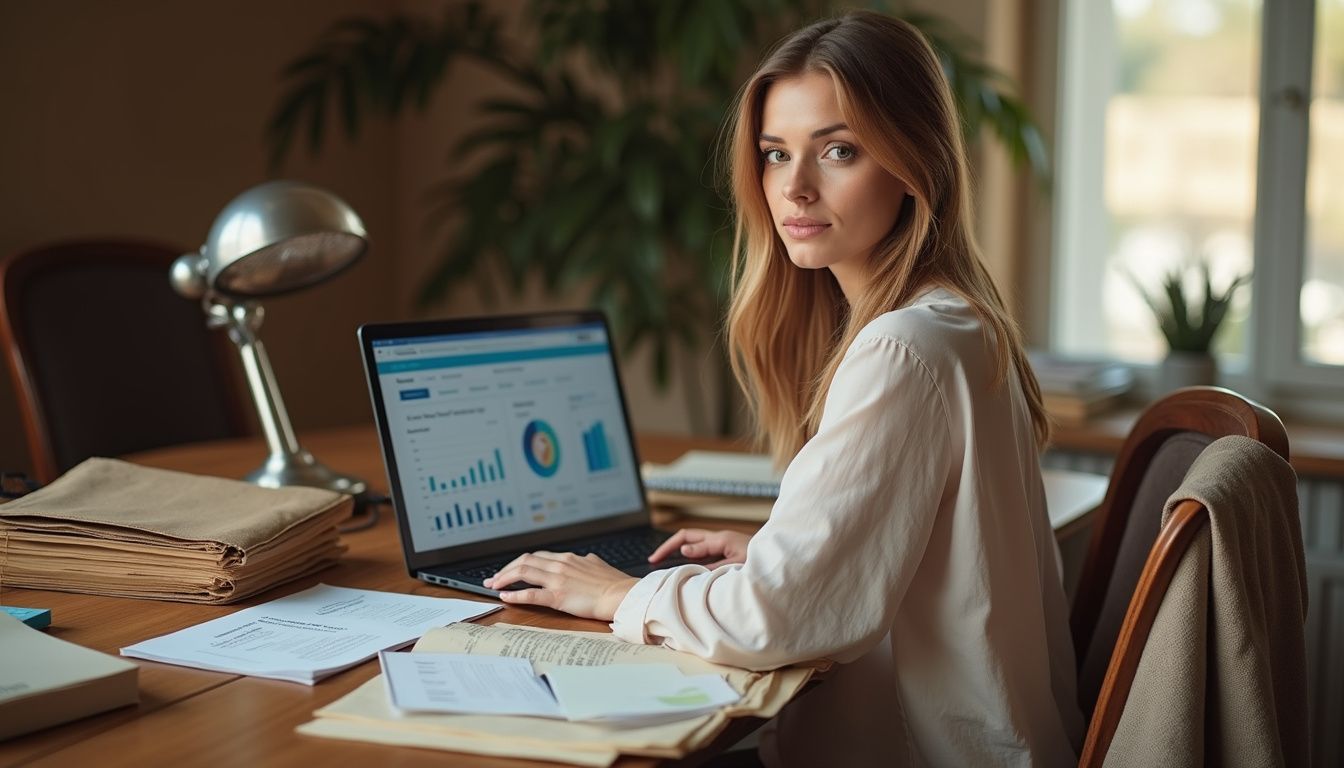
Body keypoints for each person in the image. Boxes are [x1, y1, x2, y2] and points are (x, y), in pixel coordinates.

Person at [485, 10, 1084, 766]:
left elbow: (776, 617)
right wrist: (787, 552)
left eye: (838, 151)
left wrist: (615, 595)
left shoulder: (903, 349)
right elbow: (898, 562)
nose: (794, 188)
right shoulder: (959, 323)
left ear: (912, 164)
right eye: (774, 154)